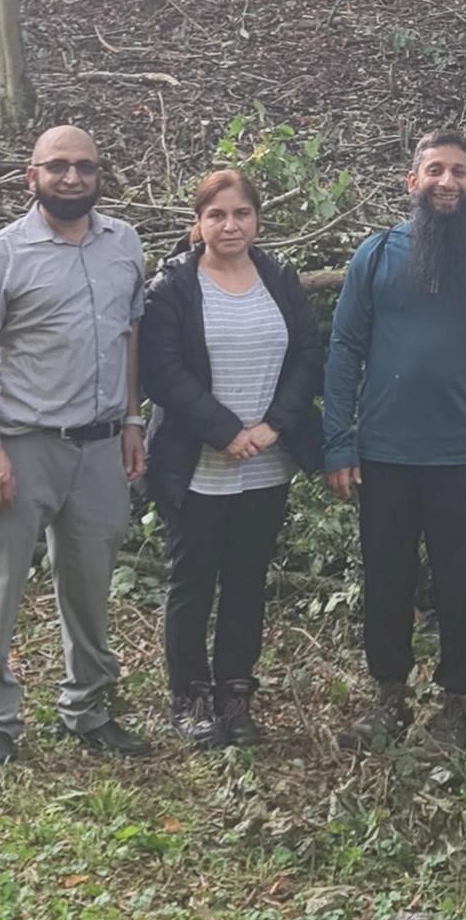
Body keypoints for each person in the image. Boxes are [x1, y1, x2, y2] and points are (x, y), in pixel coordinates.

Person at [320, 132, 466, 754]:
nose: (447, 181)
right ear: (411, 182)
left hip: (461, 457)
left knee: (461, 586)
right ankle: (388, 699)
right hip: (383, 455)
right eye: (435, 170)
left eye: (460, 172)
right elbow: (344, 351)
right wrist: (338, 443)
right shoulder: (378, 254)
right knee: (386, 580)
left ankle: (456, 708)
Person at [0, 124, 151, 768]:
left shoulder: (125, 245)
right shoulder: (0, 254)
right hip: (23, 443)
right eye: (58, 167)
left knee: (91, 584)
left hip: (98, 447)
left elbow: (128, 338)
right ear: (29, 176)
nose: (72, 178)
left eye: (85, 168)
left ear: (101, 175)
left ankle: (87, 706)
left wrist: (130, 421)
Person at [136, 167, 328, 750]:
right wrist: (225, 431)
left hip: (266, 464)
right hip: (196, 463)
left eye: (240, 213)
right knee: (192, 581)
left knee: (247, 582)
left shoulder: (279, 277)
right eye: (216, 214)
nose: (230, 225)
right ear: (198, 222)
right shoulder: (171, 287)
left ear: (257, 219)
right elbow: (161, 372)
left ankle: (235, 697)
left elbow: (308, 356)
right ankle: (190, 698)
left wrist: (272, 427)